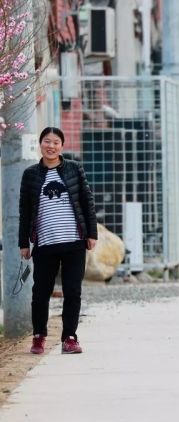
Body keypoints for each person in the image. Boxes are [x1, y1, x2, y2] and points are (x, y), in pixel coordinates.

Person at [19, 127, 98, 354]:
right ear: (40, 144)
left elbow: (87, 202)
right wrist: (23, 243)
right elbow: (24, 211)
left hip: (74, 242)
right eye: (46, 141)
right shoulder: (31, 174)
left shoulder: (74, 169)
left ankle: (70, 337)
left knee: (73, 291)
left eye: (55, 142)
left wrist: (91, 233)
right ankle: (38, 336)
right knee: (40, 292)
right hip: (44, 243)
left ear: (61, 146)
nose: (51, 146)